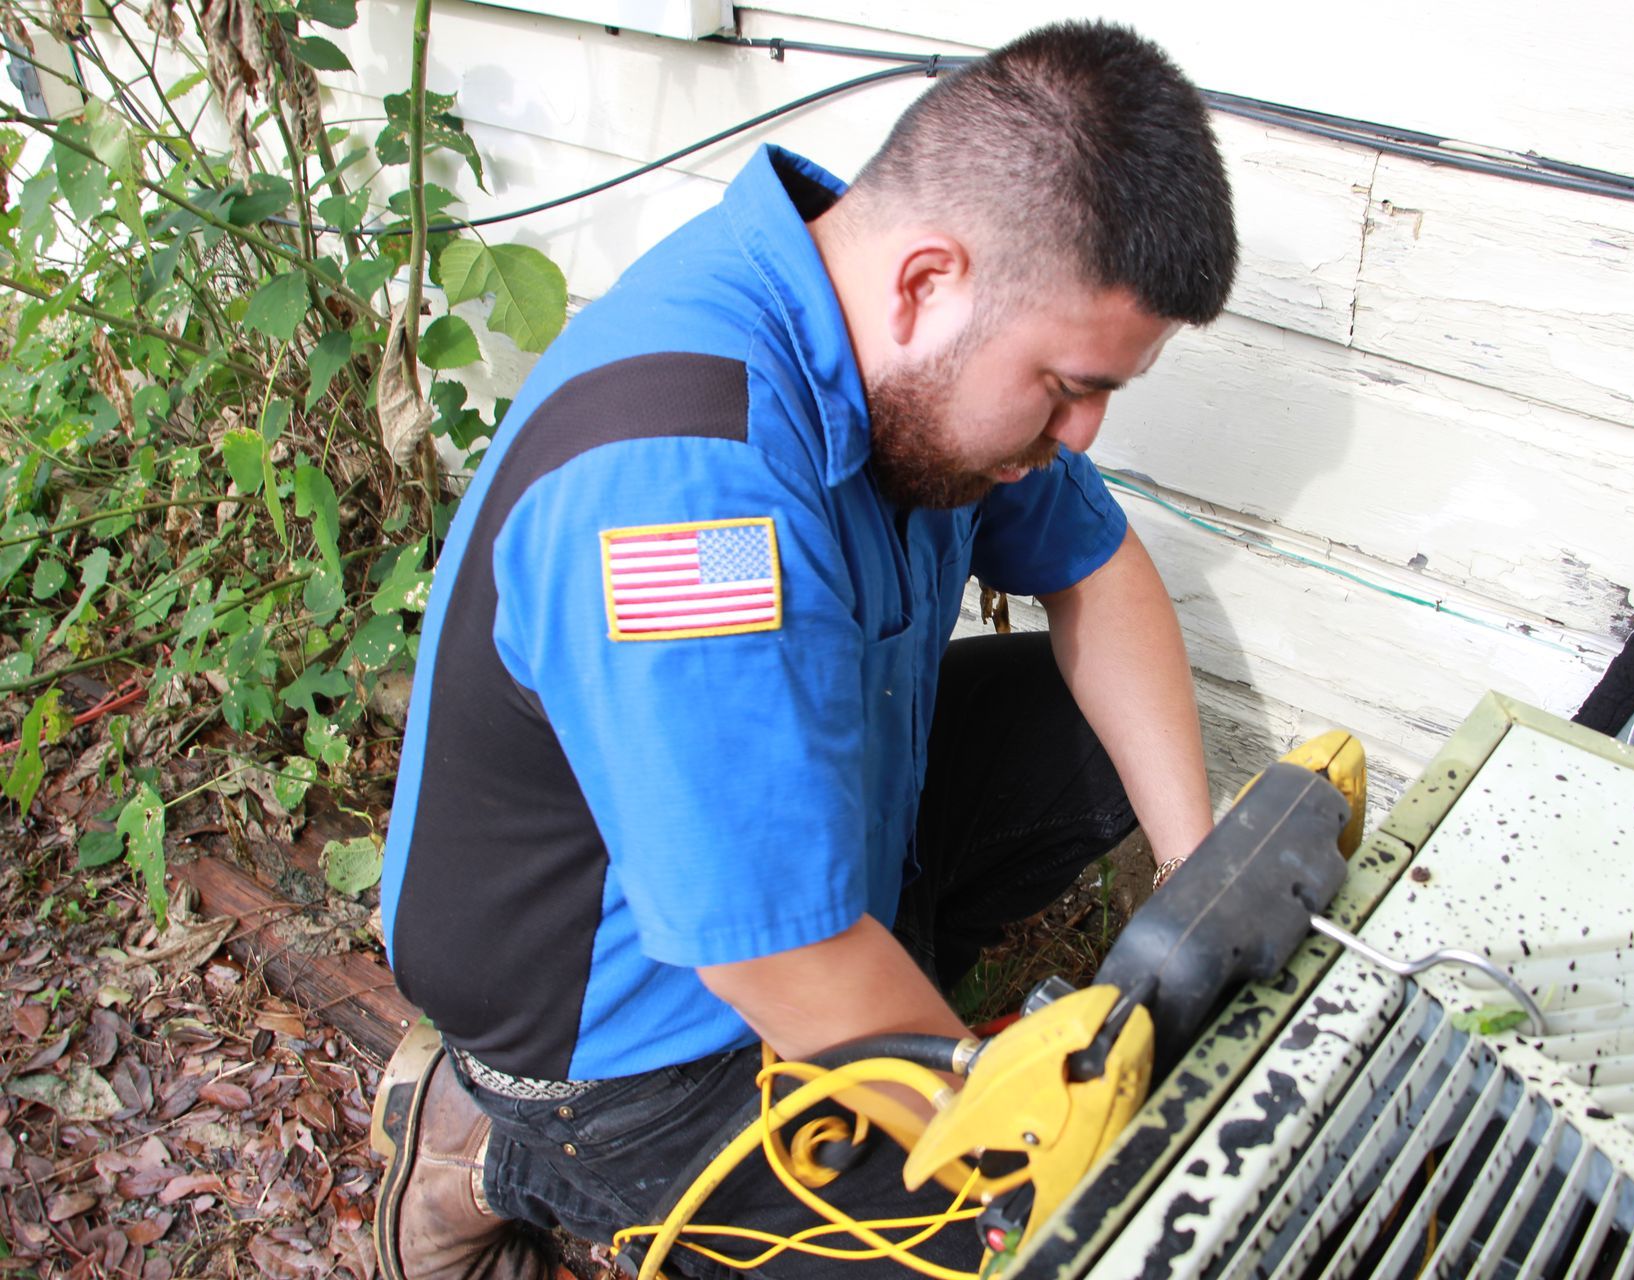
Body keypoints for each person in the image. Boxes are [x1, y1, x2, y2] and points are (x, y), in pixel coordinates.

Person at [371, 19, 1238, 1280]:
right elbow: (771, 954)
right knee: (1009, 1250)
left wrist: (1196, 871)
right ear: (928, 281)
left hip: (788, 874)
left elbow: (1095, 567)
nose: (1084, 432)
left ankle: (901, 985)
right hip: (636, 1038)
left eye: (1108, 391)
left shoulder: (878, 318)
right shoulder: (684, 497)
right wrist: (1015, 1149)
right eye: (1062, 386)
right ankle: (512, 1145)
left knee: (1092, 742)